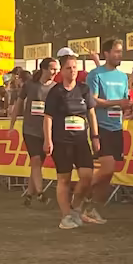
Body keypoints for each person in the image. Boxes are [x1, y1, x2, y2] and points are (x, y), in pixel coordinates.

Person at [44, 54, 99, 229]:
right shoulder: (56, 91)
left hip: (82, 140)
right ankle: (66, 217)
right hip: (62, 141)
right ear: (62, 70)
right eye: (69, 67)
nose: (73, 71)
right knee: (64, 179)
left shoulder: (84, 89)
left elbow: (91, 114)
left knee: (87, 176)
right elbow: (48, 117)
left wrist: (95, 137)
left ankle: (75, 208)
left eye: (75, 67)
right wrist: (48, 140)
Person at [85, 38, 130, 224]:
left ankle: (91, 208)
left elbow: (124, 99)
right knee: (107, 168)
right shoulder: (96, 74)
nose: (120, 55)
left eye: (121, 52)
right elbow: (92, 101)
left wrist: (128, 106)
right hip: (101, 126)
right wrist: (117, 103)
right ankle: (79, 192)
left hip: (117, 127)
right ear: (106, 54)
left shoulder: (123, 77)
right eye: (116, 52)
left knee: (109, 174)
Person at [11, 57, 58, 206]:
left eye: (57, 69)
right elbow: (18, 104)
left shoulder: (57, 87)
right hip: (30, 129)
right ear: (44, 69)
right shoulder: (30, 85)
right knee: (35, 160)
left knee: (37, 164)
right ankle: (41, 193)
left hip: (47, 131)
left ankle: (29, 195)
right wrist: (11, 126)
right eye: (52, 69)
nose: (55, 72)